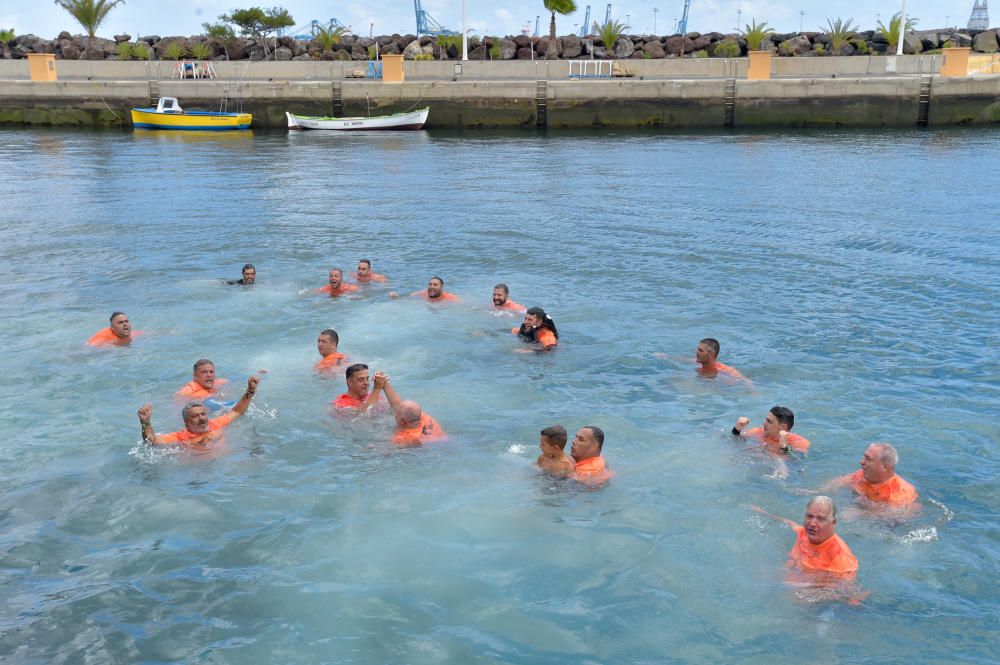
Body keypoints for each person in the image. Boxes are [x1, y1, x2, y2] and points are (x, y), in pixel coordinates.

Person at [750, 497, 859, 579]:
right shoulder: (803, 533)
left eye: (820, 519)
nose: (812, 523)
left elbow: (846, 593)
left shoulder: (841, 560)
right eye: (809, 516)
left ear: (833, 523)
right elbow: (787, 523)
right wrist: (762, 513)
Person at [137, 376, 259, 447]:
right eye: (195, 416)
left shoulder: (215, 424)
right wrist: (145, 422)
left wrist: (250, 390)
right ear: (186, 422)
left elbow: (237, 411)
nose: (201, 418)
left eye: (203, 414)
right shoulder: (180, 437)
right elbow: (153, 442)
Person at [826, 443, 919, 507]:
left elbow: (893, 516)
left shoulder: (900, 493)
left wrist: (861, 511)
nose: (861, 462)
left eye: (868, 459)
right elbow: (838, 482)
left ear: (885, 466)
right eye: (864, 457)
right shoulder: (863, 474)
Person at [732, 406, 810, 453]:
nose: (764, 423)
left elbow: (797, 462)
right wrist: (737, 430)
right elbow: (734, 442)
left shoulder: (799, 442)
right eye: (766, 420)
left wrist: (785, 448)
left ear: (783, 427)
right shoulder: (758, 432)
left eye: (769, 421)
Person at [390, 276, 459, 302]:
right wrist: (396, 297)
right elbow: (408, 296)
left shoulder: (451, 298)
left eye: (435, 285)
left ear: (441, 287)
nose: (431, 286)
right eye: (430, 284)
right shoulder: (424, 292)